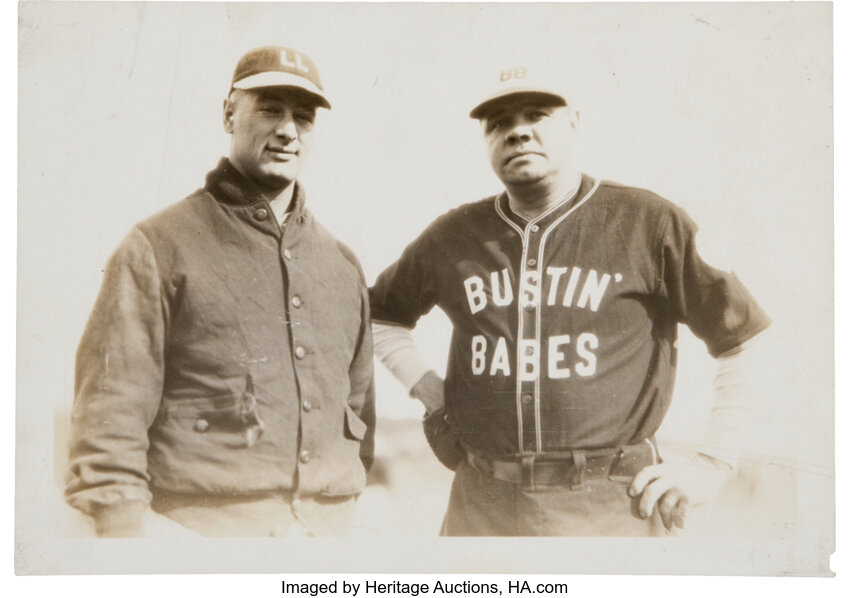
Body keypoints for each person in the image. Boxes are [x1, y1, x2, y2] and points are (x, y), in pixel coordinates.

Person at [369, 65, 771, 536]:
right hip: (481, 504)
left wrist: (713, 464)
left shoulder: (648, 222)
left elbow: (743, 338)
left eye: (536, 114)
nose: (517, 131)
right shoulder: (454, 234)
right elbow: (378, 314)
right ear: (484, 138)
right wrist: (427, 387)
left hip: (610, 504)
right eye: (498, 122)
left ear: (573, 121)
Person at [65, 46, 375, 537]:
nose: (288, 130)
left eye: (304, 117)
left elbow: (359, 416)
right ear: (229, 113)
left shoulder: (342, 265)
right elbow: (110, 418)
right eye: (270, 108)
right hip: (201, 537)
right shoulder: (158, 246)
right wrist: (122, 540)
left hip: (328, 541)